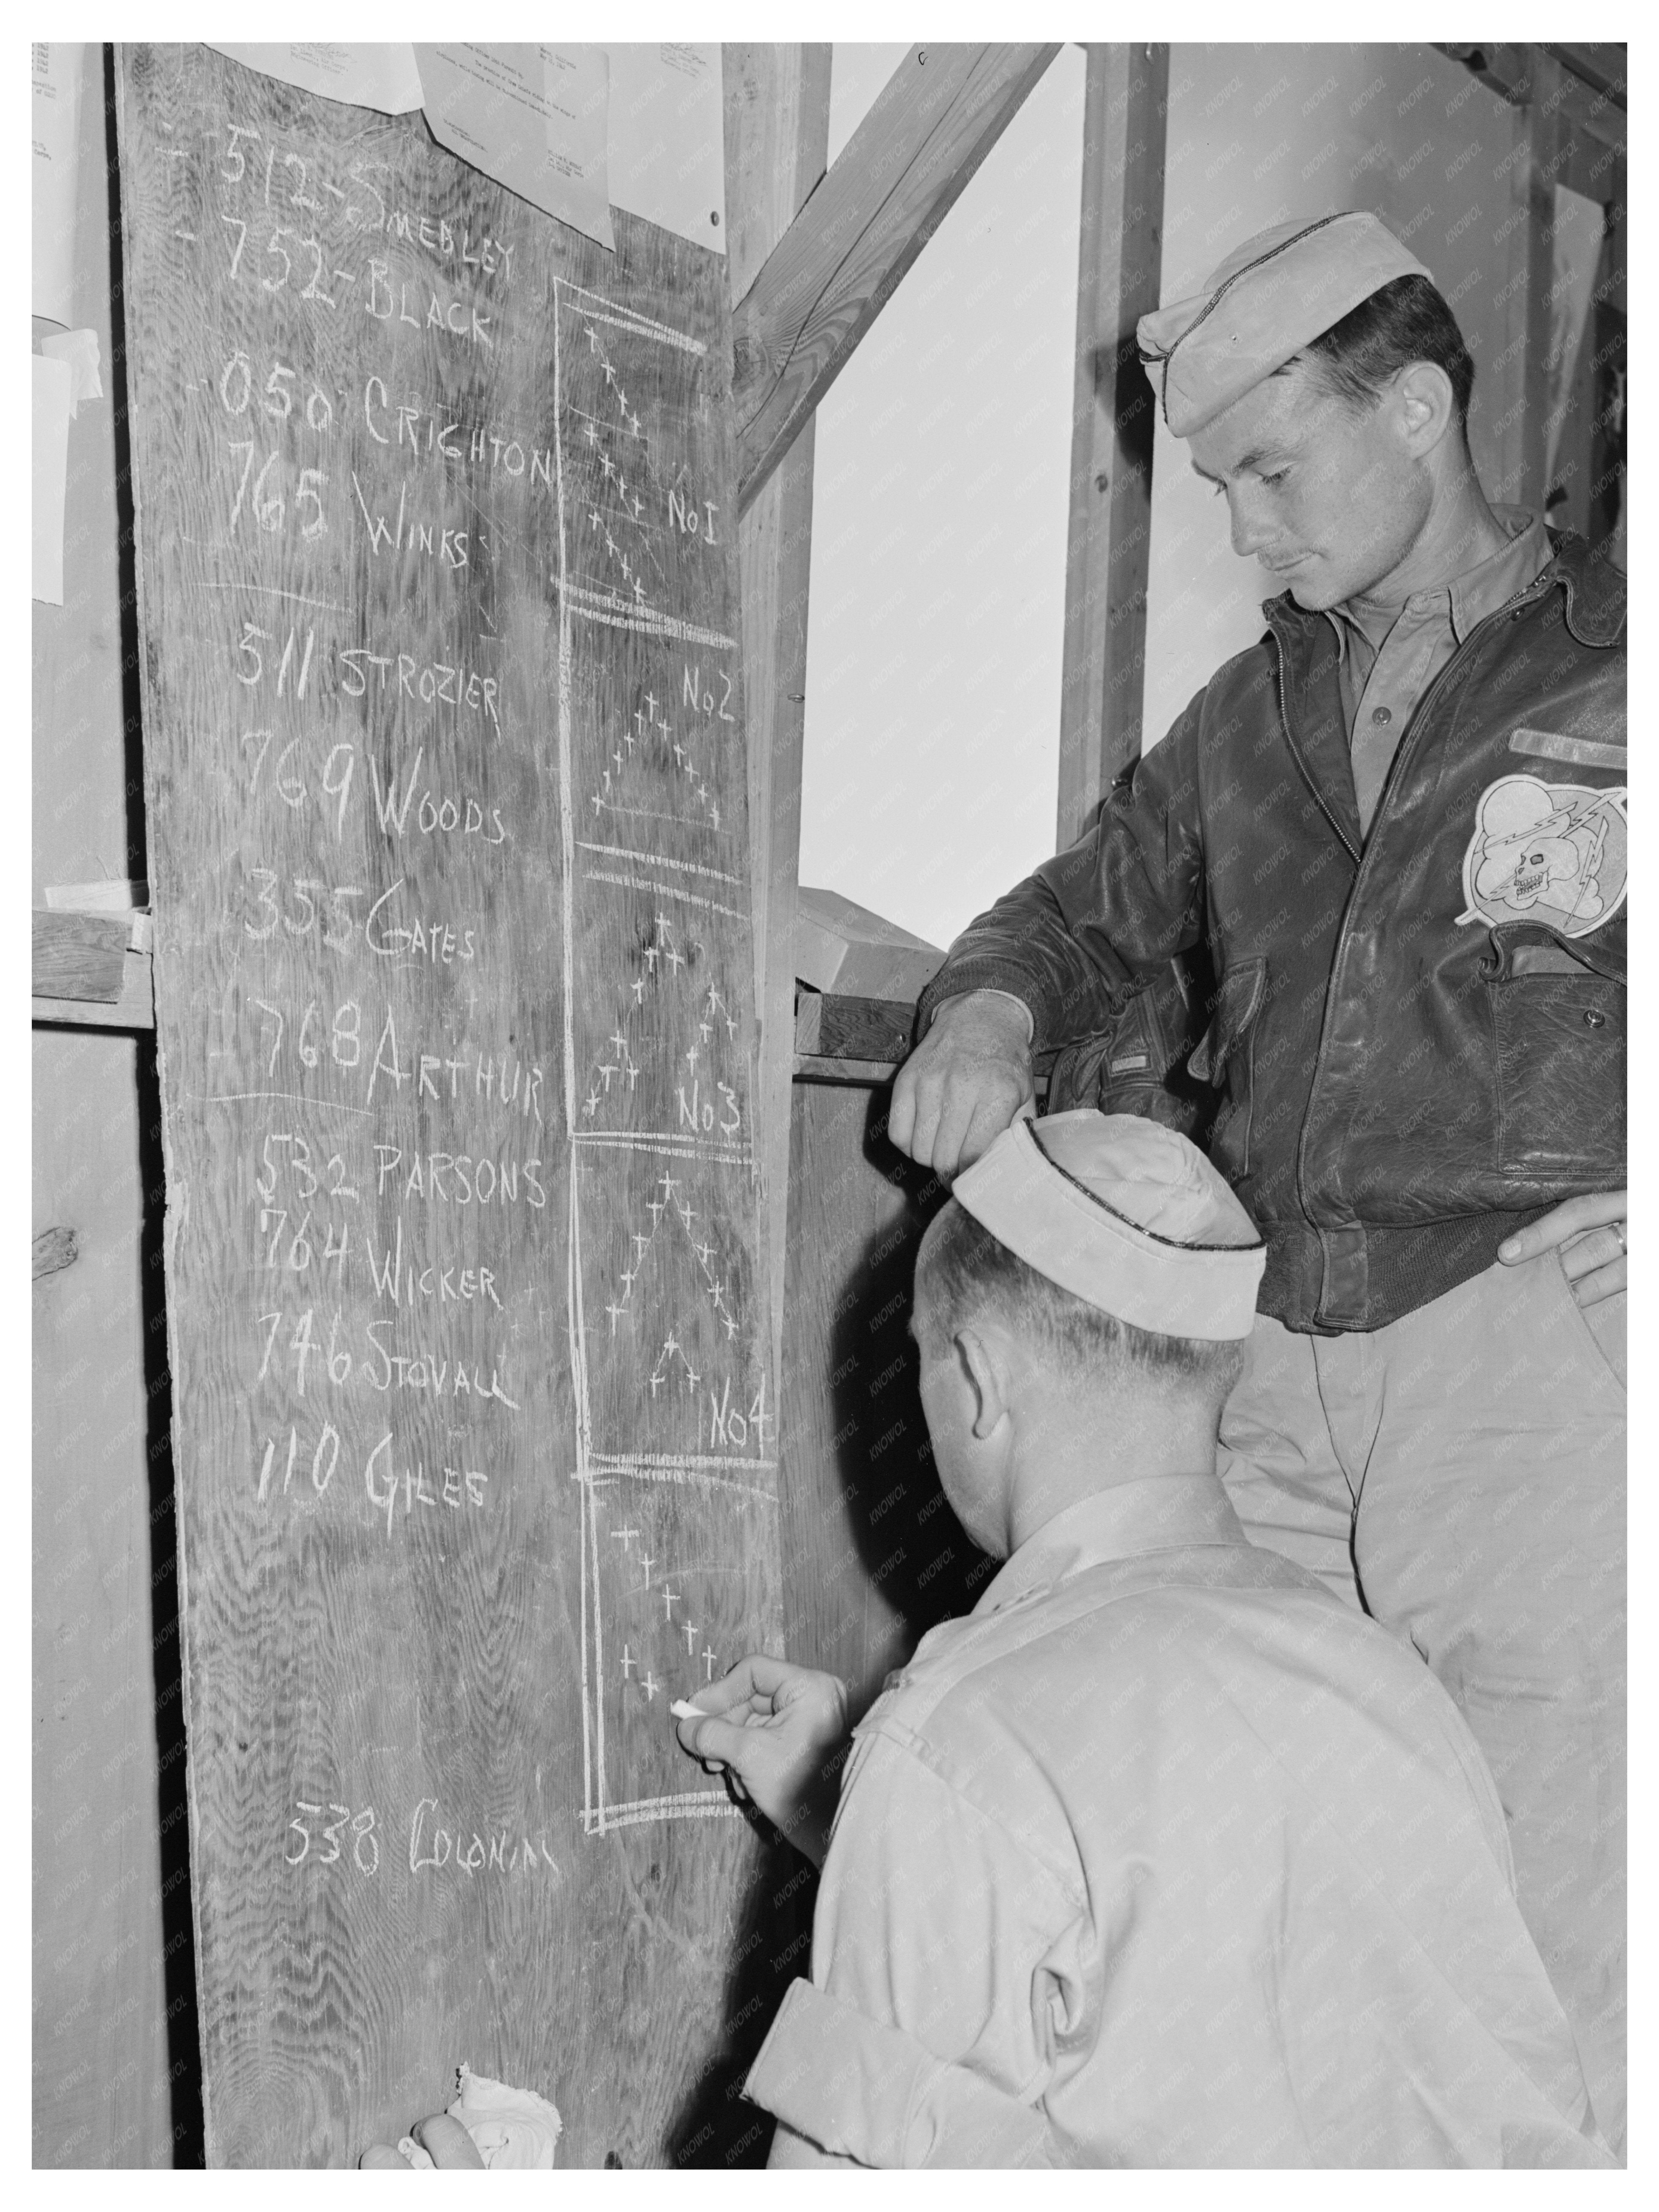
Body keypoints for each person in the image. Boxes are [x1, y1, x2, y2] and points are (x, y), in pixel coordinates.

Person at [883, 212, 1626, 2148]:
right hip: (1271, 1369)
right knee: (1240, 1865)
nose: (1246, 530)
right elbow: (1079, 913)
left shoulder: (1622, 672)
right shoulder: (1245, 720)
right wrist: (986, 1013)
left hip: (1532, 1361)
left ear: (1419, 407)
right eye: (1222, 488)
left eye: (1273, 472)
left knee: (1566, 1927)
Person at [677, 1112, 1608, 2168]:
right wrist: (850, 1812)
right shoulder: (1388, 1686)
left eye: (921, 1357)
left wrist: (911, 1802)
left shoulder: (957, 1737)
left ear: (977, 1378)